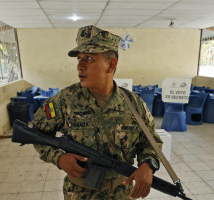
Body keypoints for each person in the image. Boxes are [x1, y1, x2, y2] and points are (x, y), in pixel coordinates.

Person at [32, 25, 163, 200]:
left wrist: (148, 165)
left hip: (122, 193)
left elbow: (151, 141)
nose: (80, 66)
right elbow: (36, 134)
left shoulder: (134, 104)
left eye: (89, 58)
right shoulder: (64, 100)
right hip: (78, 193)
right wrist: (59, 158)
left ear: (111, 64)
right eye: (79, 58)